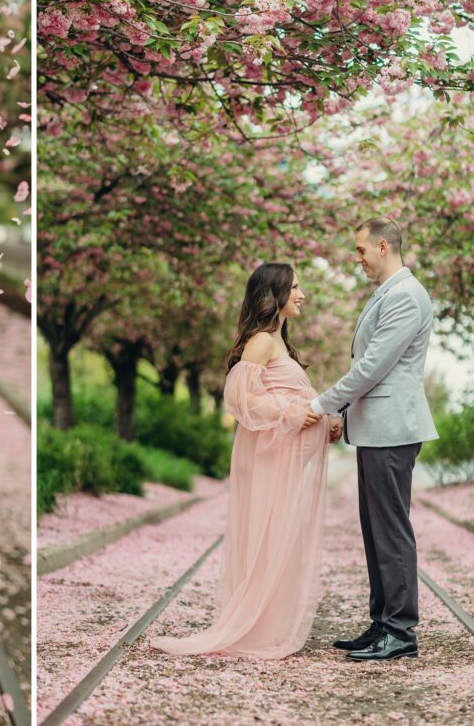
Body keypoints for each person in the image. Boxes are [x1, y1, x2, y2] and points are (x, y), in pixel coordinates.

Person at [150, 263, 340, 659]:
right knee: (269, 538)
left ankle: (267, 625)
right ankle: (253, 627)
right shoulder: (261, 342)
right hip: (273, 458)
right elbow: (240, 398)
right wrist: (292, 413)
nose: (302, 294)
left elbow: (284, 394)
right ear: (275, 293)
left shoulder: (280, 341)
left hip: (287, 458)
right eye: (295, 287)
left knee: (281, 540)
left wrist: (325, 421)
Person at [311, 217, 437, 662]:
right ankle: (383, 623)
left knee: (390, 529)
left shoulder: (405, 295)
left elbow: (372, 367)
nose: (357, 258)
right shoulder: (390, 292)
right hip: (378, 428)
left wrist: (324, 403)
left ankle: (400, 631)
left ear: (383, 246)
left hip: (392, 430)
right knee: (376, 528)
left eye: (361, 250)